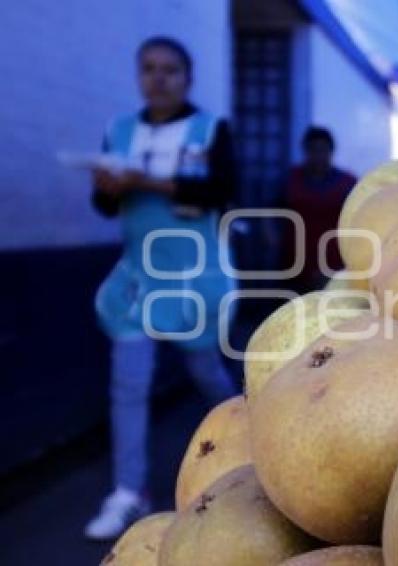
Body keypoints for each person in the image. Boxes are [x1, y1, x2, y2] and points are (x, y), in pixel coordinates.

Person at [84, 36, 238, 540]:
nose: (159, 78)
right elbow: (105, 206)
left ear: (187, 78)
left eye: (170, 69)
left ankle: (249, 441)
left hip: (196, 277)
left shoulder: (210, 130)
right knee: (128, 385)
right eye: (148, 68)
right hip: (138, 277)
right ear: (138, 76)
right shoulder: (119, 131)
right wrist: (109, 189)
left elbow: (221, 190)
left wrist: (143, 182)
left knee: (207, 374)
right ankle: (129, 492)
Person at [276, 127, 357, 291]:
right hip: (295, 264)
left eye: (323, 150)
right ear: (305, 152)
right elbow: (272, 211)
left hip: (334, 264)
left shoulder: (347, 183)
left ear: (331, 152)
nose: (318, 156)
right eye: (313, 150)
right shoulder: (290, 180)